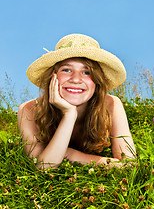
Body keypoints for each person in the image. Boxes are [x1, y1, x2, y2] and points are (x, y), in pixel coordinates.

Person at [18, 34, 136, 169]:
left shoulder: (111, 105)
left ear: (97, 81)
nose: (75, 79)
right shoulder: (29, 110)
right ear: (52, 76)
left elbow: (128, 164)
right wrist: (69, 115)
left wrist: (68, 154)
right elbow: (43, 167)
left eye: (86, 72)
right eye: (66, 70)